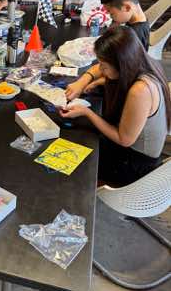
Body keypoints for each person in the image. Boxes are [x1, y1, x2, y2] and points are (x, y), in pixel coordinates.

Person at [60, 26, 170, 187]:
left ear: (121, 63)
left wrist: (87, 112)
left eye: (104, 66)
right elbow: (98, 68)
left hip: (133, 163)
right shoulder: (143, 61)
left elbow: (123, 139)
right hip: (129, 148)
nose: (101, 69)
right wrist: (83, 81)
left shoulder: (140, 91)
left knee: (72, 155)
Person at [66, 0, 150, 99]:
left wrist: (84, 81)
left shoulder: (133, 35)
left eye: (111, 13)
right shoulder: (137, 23)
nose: (111, 17)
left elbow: (119, 69)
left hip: (117, 92)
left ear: (127, 7)